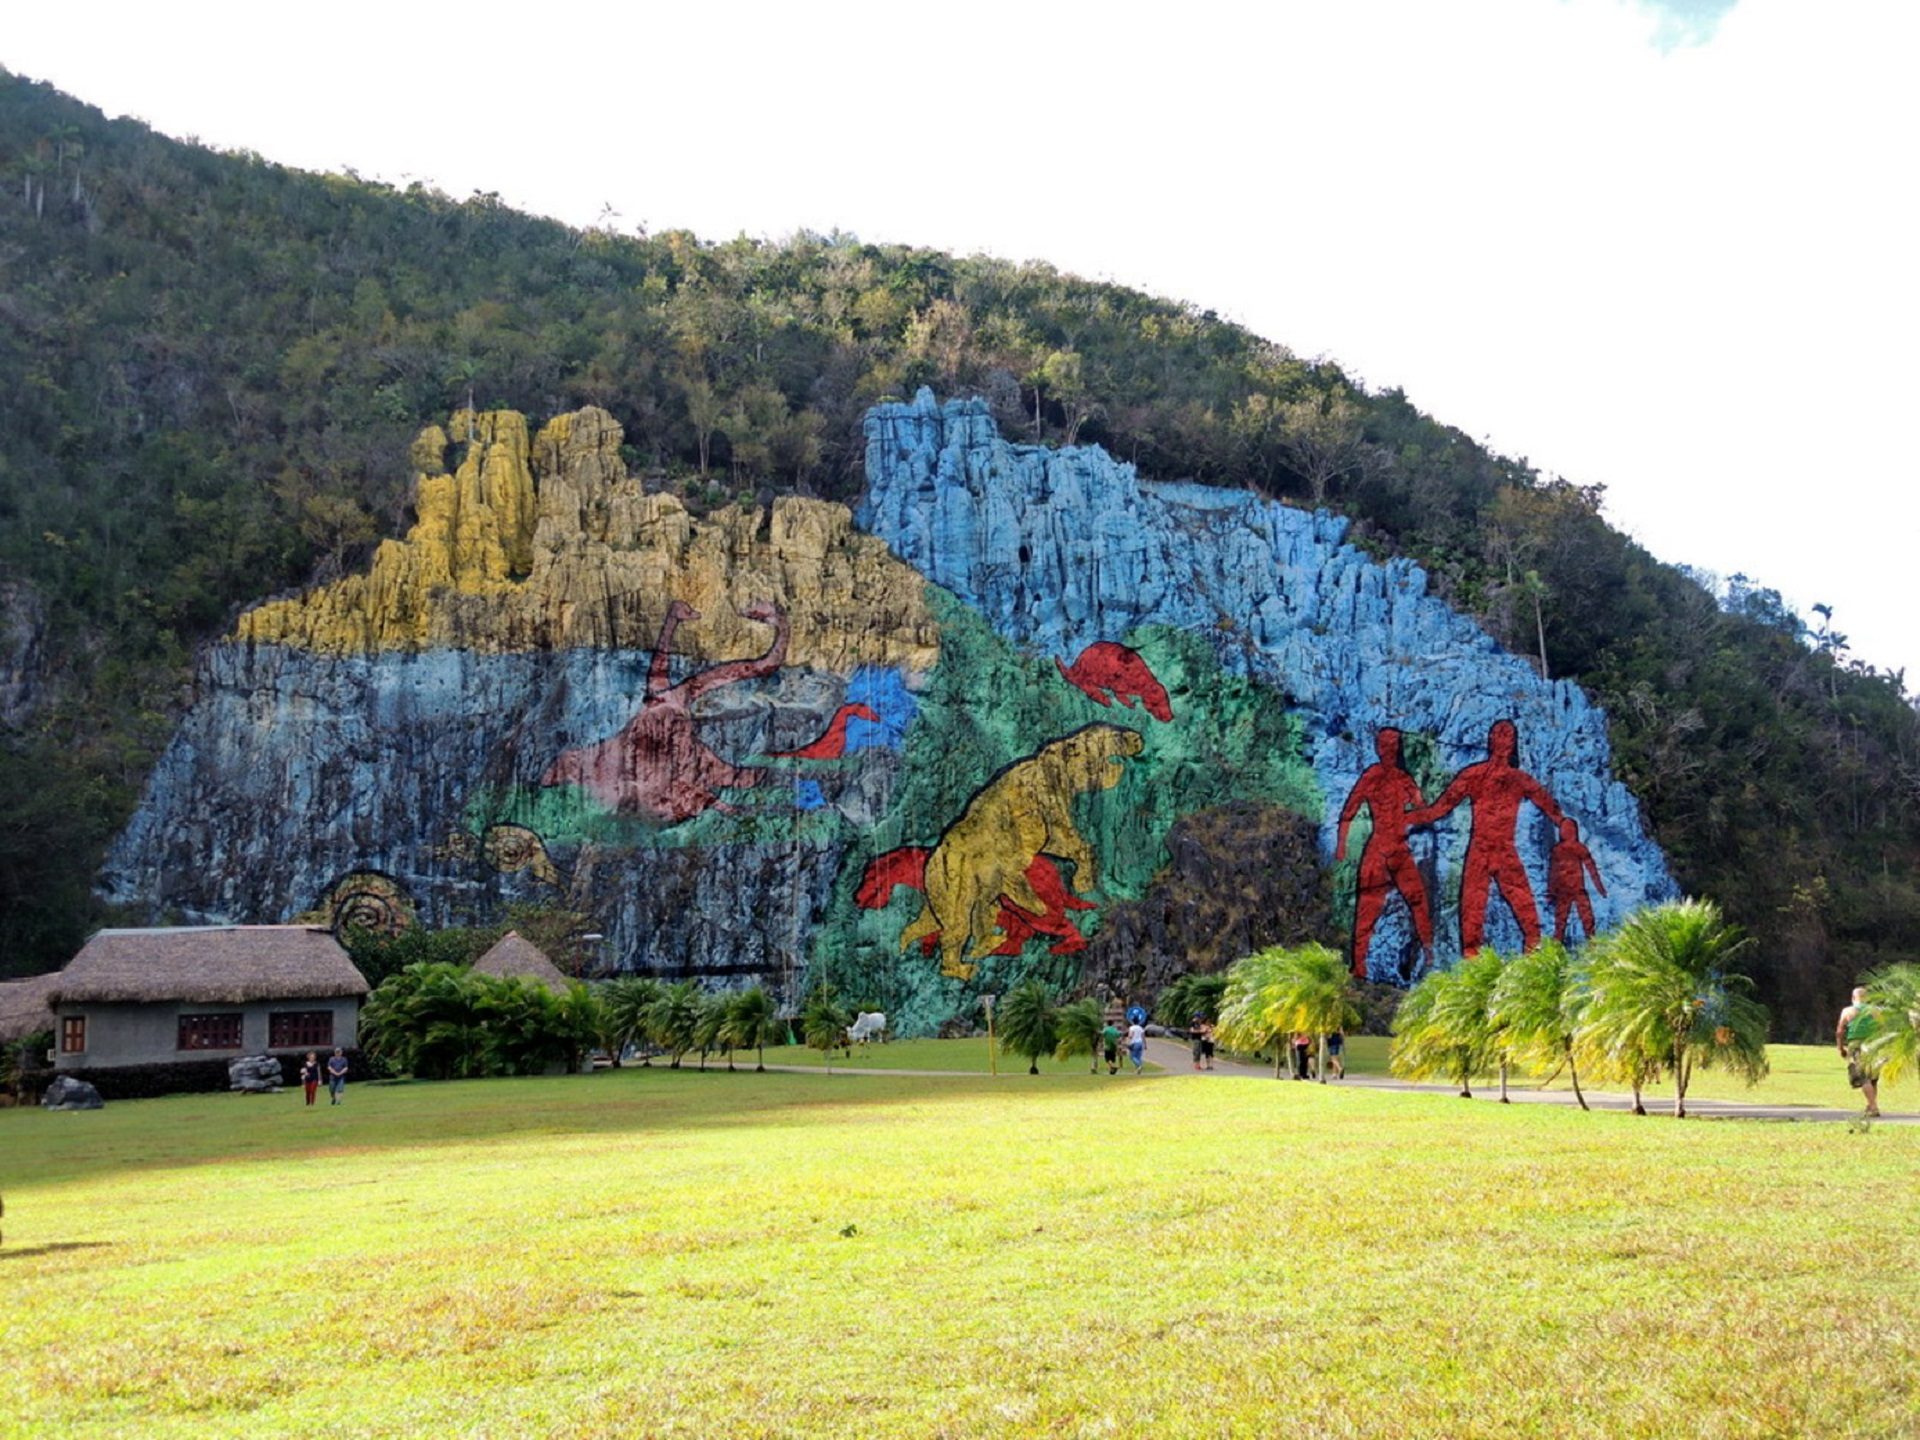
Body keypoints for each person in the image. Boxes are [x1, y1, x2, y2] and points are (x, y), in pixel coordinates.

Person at [1335, 727, 1436, 979]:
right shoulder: (1371, 776)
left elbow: (1423, 809)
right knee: (1368, 905)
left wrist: (1413, 816)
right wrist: (1341, 846)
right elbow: (1348, 811)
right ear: (1378, 748)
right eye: (1384, 744)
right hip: (1378, 847)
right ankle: (1358, 965)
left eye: (1393, 744)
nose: (1389, 749)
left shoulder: (1404, 779)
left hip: (1400, 848)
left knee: (1418, 901)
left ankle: (1430, 954)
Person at [1836, 987, 1882, 1118]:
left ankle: (1873, 1107)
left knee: (1863, 1078)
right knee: (1873, 1079)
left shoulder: (1847, 1011)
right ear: (1867, 998)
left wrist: (1840, 1048)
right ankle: (1870, 1105)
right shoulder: (1876, 1011)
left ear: (1852, 998)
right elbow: (1882, 1028)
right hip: (1873, 1045)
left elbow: (1840, 1031)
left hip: (1856, 1046)